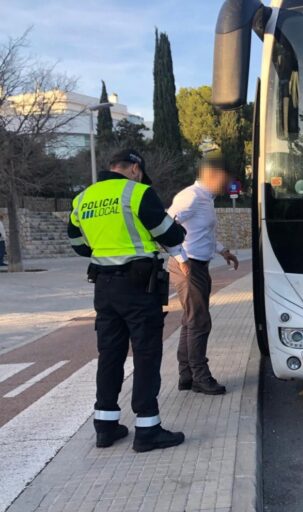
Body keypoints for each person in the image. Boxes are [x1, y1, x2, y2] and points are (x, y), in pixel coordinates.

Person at [68, 149, 187, 452]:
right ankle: (147, 429)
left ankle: (105, 428)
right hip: (138, 287)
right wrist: (178, 229)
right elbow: (168, 235)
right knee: (146, 355)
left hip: (104, 287)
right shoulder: (137, 192)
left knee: (110, 354)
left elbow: (77, 243)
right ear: (134, 169)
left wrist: (104, 249)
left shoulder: (83, 198)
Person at [167, 151, 239, 396]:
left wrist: (223, 251)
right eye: (225, 178)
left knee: (191, 320)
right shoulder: (191, 197)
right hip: (189, 266)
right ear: (212, 174)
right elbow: (166, 226)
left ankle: (186, 375)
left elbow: (201, 233)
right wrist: (181, 258)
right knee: (199, 322)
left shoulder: (204, 199)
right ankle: (199, 376)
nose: (226, 184)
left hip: (197, 264)